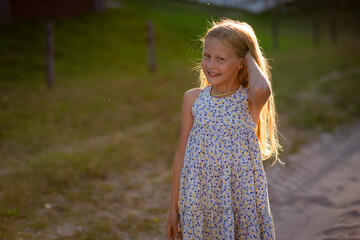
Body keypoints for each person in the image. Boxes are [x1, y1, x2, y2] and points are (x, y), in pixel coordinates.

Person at [166, 17, 282, 240]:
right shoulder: (193, 99)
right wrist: (174, 209)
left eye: (220, 59)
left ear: (240, 62)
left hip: (239, 202)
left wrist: (248, 55)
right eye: (206, 56)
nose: (210, 65)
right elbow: (181, 154)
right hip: (198, 200)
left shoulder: (248, 100)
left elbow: (262, 89)